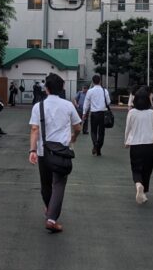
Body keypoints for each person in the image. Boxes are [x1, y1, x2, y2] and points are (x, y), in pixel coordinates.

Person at [28, 72, 82, 232]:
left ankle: (49, 209)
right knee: (59, 184)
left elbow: (34, 129)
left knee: (45, 184)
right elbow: (78, 127)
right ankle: (51, 219)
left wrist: (32, 150)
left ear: (46, 88)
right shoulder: (68, 105)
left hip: (43, 151)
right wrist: (74, 136)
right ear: (62, 88)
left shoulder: (38, 106)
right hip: (61, 151)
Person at [125, 88, 153, 205]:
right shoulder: (152, 113)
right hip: (149, 145)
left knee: (136, 168)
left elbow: (128, 128)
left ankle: (138, 185)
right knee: (147, 170)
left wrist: (126, 141)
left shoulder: (132, 112)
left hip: (135, 145)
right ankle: (144, 192)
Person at [81, 74, 111, 156]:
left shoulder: (90, 91)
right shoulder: (104, 91)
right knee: (101, 132)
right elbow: (108, 102)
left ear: (93, 82)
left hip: (94, 113)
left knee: (93, 131)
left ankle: (95, 144)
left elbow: (86, 103)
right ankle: (98, 149)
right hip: (102, 113)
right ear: (100, 81)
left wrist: (84, 113)